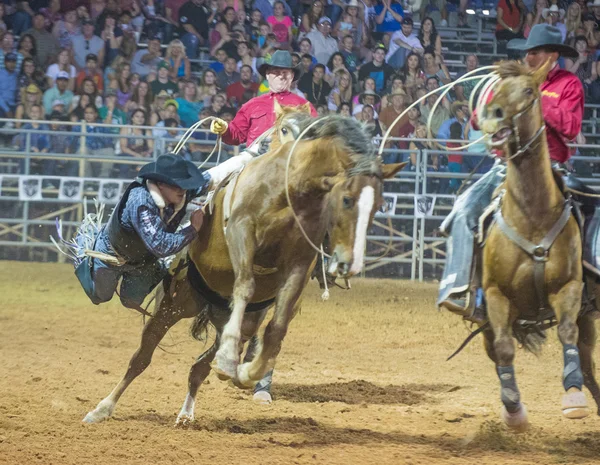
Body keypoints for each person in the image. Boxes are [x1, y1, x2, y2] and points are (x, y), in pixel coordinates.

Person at [438, 25, 585, 322]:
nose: (529, 56)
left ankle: (590, 285)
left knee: (590, 215)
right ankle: (461, 287)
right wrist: (497, 105)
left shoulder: (568, 84)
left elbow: (571, 127)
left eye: (536, 51)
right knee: (465, 208)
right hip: (506, 165)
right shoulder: (510, 80)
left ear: (552, 55)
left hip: (552, 166)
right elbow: (481, 119)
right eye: (528, 51)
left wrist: (535, 100)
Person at [64, 152, 254, 312]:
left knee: (131, 301)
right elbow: (160, 245)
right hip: (111, 253)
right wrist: (193, 228)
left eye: (184, 184)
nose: (183, 189)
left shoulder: (182, 191)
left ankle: (156, 269)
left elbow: (215, 176)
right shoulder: (140, 201)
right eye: (177, 185)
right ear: (161, 184)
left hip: (142, 260)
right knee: (100, 295)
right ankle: (88, 255)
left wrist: (250, 154)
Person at [0, 53, 19, 118]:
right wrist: (7, 110)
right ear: (5, 62)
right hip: (1, 104)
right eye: (9, 62)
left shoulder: (16, 75)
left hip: (13, 105)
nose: (11, 64)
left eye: (13, 62)